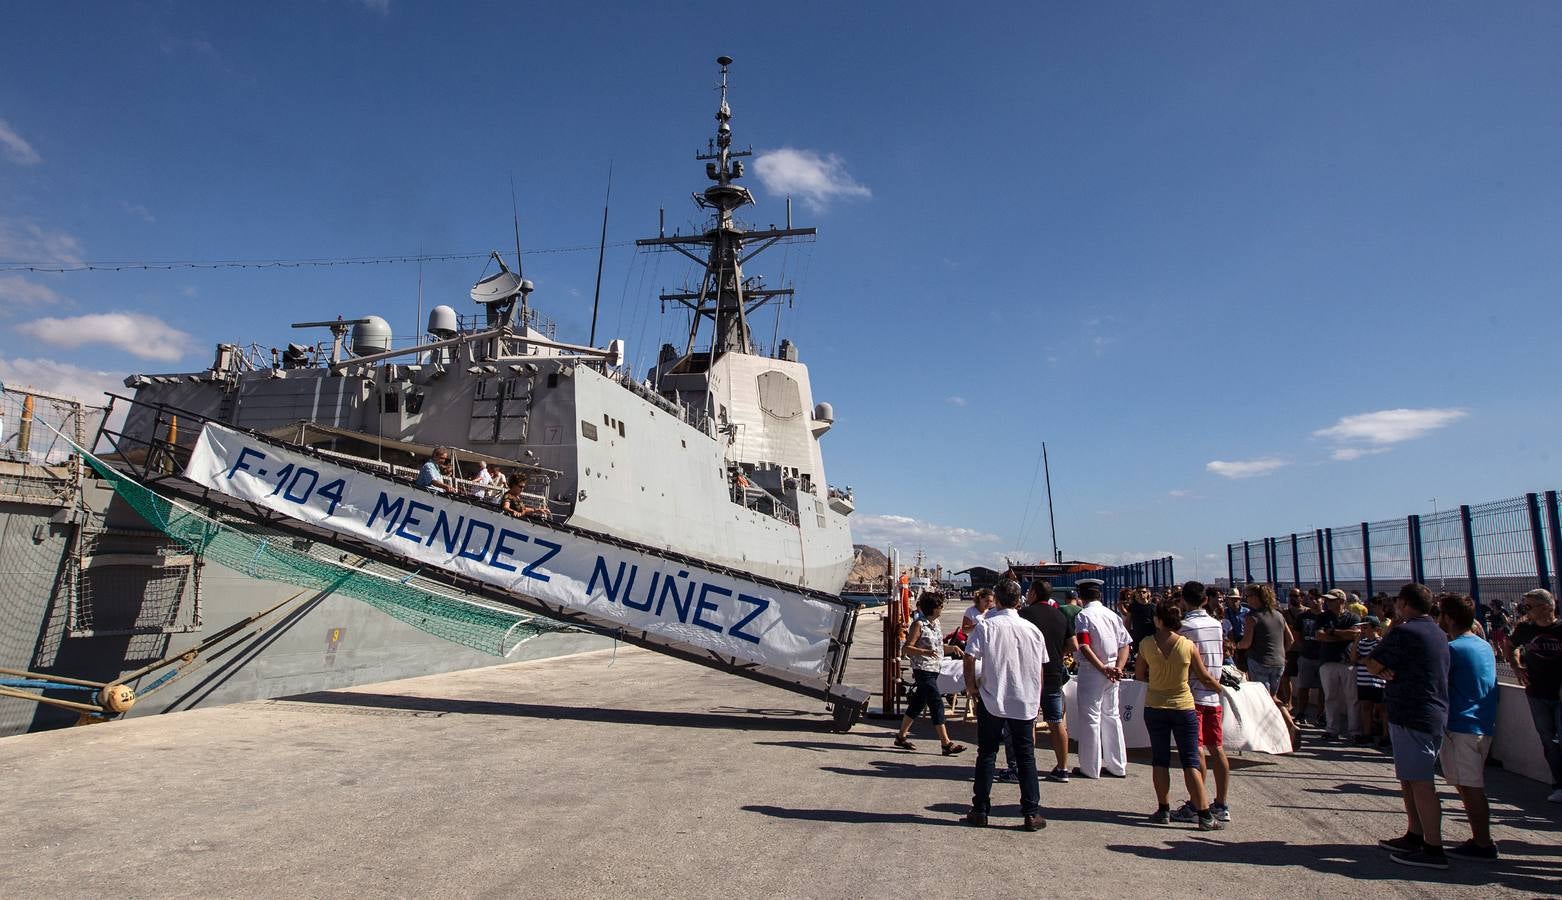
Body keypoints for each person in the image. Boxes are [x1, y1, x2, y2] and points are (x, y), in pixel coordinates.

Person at [1368, 583, 1451, 870]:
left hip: (1412, 713)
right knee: (1410, 779)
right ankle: (1415, 833)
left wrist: (1383, 666)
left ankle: (1433, 847)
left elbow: (1373, 662)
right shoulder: (1437, 632)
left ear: (1403, 604)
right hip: (1429, 711)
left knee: (1421, 783)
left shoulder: (1405, 631)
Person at [962, 580, 1047, 831]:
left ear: (996, 600)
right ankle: (1031, 812)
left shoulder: (987, 627)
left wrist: (971, 686)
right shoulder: (1033, 630)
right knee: (1026, 756)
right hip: (1024, 700)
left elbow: (969, 656)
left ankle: (980, 809)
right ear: (1019, 601)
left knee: (987, 754)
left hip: (992, 697)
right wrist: (1037, 695)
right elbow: (1039, 667)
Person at [1136, 601, 1225, 831]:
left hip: (1155, 705)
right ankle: (1204, 814)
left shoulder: (1146, 644)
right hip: (1184, 706)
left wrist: (1156, 682)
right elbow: (1204, 676)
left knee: (1160, 759)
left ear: (1158, 620)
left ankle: (1163, 809)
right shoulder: (1187, 645)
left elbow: (1139, 675)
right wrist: (1222, 689)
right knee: (1190, 761)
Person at [1438, 593, 1500, 859]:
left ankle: (1483, 843)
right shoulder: (1482, 646)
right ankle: (1480, 839)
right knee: (1467, 785)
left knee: (1470, 786)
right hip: (1482, 722)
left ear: (1448, 618)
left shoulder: (1453, 649)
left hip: (1461, 725)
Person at [1170, 581, 1232, 824]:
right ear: (1205, 600)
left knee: (1195, 750)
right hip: (1213, 692)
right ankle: (1222, 802)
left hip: (1193, 693)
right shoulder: (1216, 625)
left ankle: (1198, 803)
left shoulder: (1185, 627)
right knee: (1216, 747)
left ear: (1184, 601)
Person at [893, 592, 967, 756]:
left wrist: (951, 648)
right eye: (940, 607)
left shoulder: (936, 624)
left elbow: (938, 647)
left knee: (918, 704)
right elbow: (906, 648)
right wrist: (923, 651)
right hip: (922, 670)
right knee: (936, 703)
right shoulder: (918, 625)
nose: (941, 609)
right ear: (933, 609)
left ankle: (900, 736)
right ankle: (946, 743)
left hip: (935, 669)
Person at [1072, 579, 1131, 779]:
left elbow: (1084, 646)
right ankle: (1118, 765)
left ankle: (1090, 767)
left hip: (1093, 671)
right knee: (1112, 716)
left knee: (1091, 718)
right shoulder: (1113, 616)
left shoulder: (1083, 616)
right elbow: (1125, 645)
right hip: (1113, 670)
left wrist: (1102, 668)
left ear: (1081, 596)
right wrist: (1118, 668)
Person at [1507, 588, 1562, 802]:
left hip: (1559, 693)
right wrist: (1516, 667)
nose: (1525, 610)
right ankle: (1558, 783)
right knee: (1548, 740)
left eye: (1529, 606)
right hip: (1536, 692)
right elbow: (1510, 646)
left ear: (1546, 607)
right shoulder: (1524, 629)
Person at [1020, 580, 1076, 783]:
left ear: (1033, 594)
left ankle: (1028, 767)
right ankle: (1062, 768)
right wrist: (1056, 653)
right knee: (1056, 722)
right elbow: (1073, 645)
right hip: (1054, 673)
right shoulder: (1060, 615)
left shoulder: (1024, 615)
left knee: (1029, 721)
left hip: (1030, 674)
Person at [1318, 589, 1362, 740]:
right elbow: (1320, 636)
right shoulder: (1323, 617)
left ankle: (1355, 731)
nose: (1328, 603)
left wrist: (1333, 632)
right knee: (1330, 697)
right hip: (1328, 660)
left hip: (1347, 661)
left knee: (1352, 698)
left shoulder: (1353, 617)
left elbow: (1354, 634)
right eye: (1327, 600)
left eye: (1332, 600)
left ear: (1341, 601)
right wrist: (1342, 636)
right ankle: (1332, 729)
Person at [1239, 583, 1291, 697]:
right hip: (1278, 662)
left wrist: (1236, 645)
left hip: (1259, 661)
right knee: (1273, 697)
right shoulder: (1278, 615)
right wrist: (1282, 654)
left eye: (1247, 596)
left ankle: (1282, 715)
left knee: (1263, 699)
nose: (1246, 599)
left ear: (1255, 597)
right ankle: (1284, 714)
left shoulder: (1252, 617)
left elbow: (1246, 643)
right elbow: (1290, 639)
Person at [1351, 617, 1388, 747]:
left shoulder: (1380, 642)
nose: (1363, 630)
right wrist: (1356, 640)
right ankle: (1367, 734)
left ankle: (1385, 736)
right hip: (1363, 680)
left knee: (1382, 708)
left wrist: (1364, 660)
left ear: (1374, 628)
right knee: (1366, 707)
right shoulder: (1363, 642)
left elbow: (1372, 658)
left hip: (1378, 680)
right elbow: (1354, 658)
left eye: (1366, 627)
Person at [1293, 591, 1326, 727]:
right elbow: (1297, 634)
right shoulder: (1303, 617)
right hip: (1306, 656)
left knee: (1322, 688)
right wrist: (1303, 647)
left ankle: (1321, 714)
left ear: (1322, 600)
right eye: (1311, 598)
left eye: (1316, 598)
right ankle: (1301, 713)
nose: (1314, 601)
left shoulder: (1326, 616)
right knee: (1303, 686)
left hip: (1323, 657)